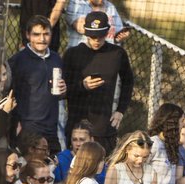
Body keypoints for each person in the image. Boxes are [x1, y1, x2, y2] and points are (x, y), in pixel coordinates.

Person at [61, 11, 133, 149]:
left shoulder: (117, 53)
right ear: (86, 33)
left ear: (107, 32)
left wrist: (120, 111)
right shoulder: (72, 54)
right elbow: (62, 92)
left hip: (104, 127)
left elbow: (128, 82)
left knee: (102, 167)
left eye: (100, 36)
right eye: (93, 36)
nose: (96, 40)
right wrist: (83, 86)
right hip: (77, 126)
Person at [9, 15, 66, 152]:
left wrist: (64, 90)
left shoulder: (56, 58)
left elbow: (59, 95)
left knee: (53, 168)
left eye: (46, 34)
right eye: (37, 34)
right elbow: (10, 94)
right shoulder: (17, 60)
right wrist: (15, 124)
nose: (42, 39)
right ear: (28, 35)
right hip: (28, 128)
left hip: (52, 127)